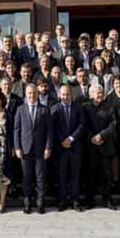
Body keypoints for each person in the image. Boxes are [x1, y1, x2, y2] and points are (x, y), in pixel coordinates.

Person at [14, 83, 53, 214]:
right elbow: (16, 130)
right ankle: (27, 204)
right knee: (27, 178)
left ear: (38, 94)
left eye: (34, 93)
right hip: (25, 149)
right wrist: (17, 147)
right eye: (29, 93)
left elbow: (49, 131)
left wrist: (48, 147)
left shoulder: (45, 109)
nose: (32, 95)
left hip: (40, 150)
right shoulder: (20, 109)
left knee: (40, 178)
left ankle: (40, 203)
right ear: (26, 94)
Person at [51, 84, 84, 212]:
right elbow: (54, 127)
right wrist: (62, 140)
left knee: (75, 175)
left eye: (67, 94)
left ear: (71, 95)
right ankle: (62, 200)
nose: (65, 96)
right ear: (59, 95)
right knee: (62, 175)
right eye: (63, 94)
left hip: (75, 146)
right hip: (61, 148)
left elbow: (81, 125)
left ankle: (75, 200)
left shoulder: (78, 108)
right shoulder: (55, 109)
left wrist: (71, 139)